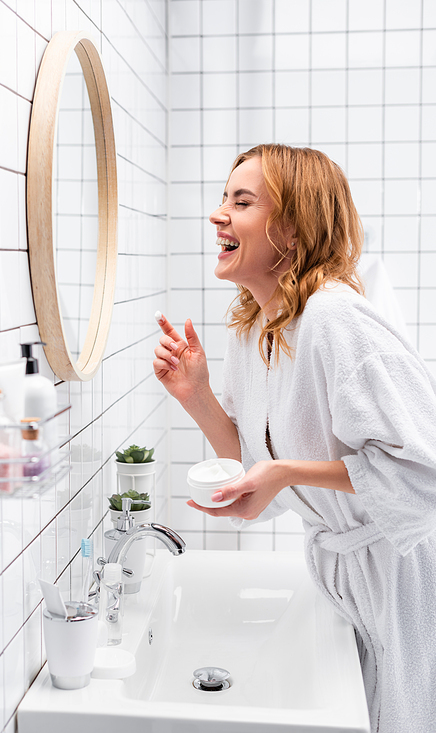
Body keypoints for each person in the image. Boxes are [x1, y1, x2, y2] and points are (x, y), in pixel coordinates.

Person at [153, 144, 436, 733]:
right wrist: (195, 395)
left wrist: (286, 475)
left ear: (293, 226)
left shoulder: (336, 320)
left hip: (403, 573)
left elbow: (422, 475)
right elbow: (253, 462)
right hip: (350, 573)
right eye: (223, 197)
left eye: (242, 201)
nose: (218, 214)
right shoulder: (258, 327)